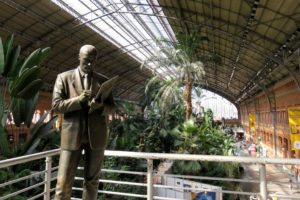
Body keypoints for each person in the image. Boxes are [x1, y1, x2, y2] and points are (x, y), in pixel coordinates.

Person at [52, 44, 115, 200]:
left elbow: (112, 107)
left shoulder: (102, 81)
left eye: (93, 61)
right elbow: (56, 106)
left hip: (97, 138)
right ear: (78, 57)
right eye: (86, 60)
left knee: (92, 182)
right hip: (71, 136)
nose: (89, 64)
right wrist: (78, 101)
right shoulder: (64, 78)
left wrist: (100, 106)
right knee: (63, 185)